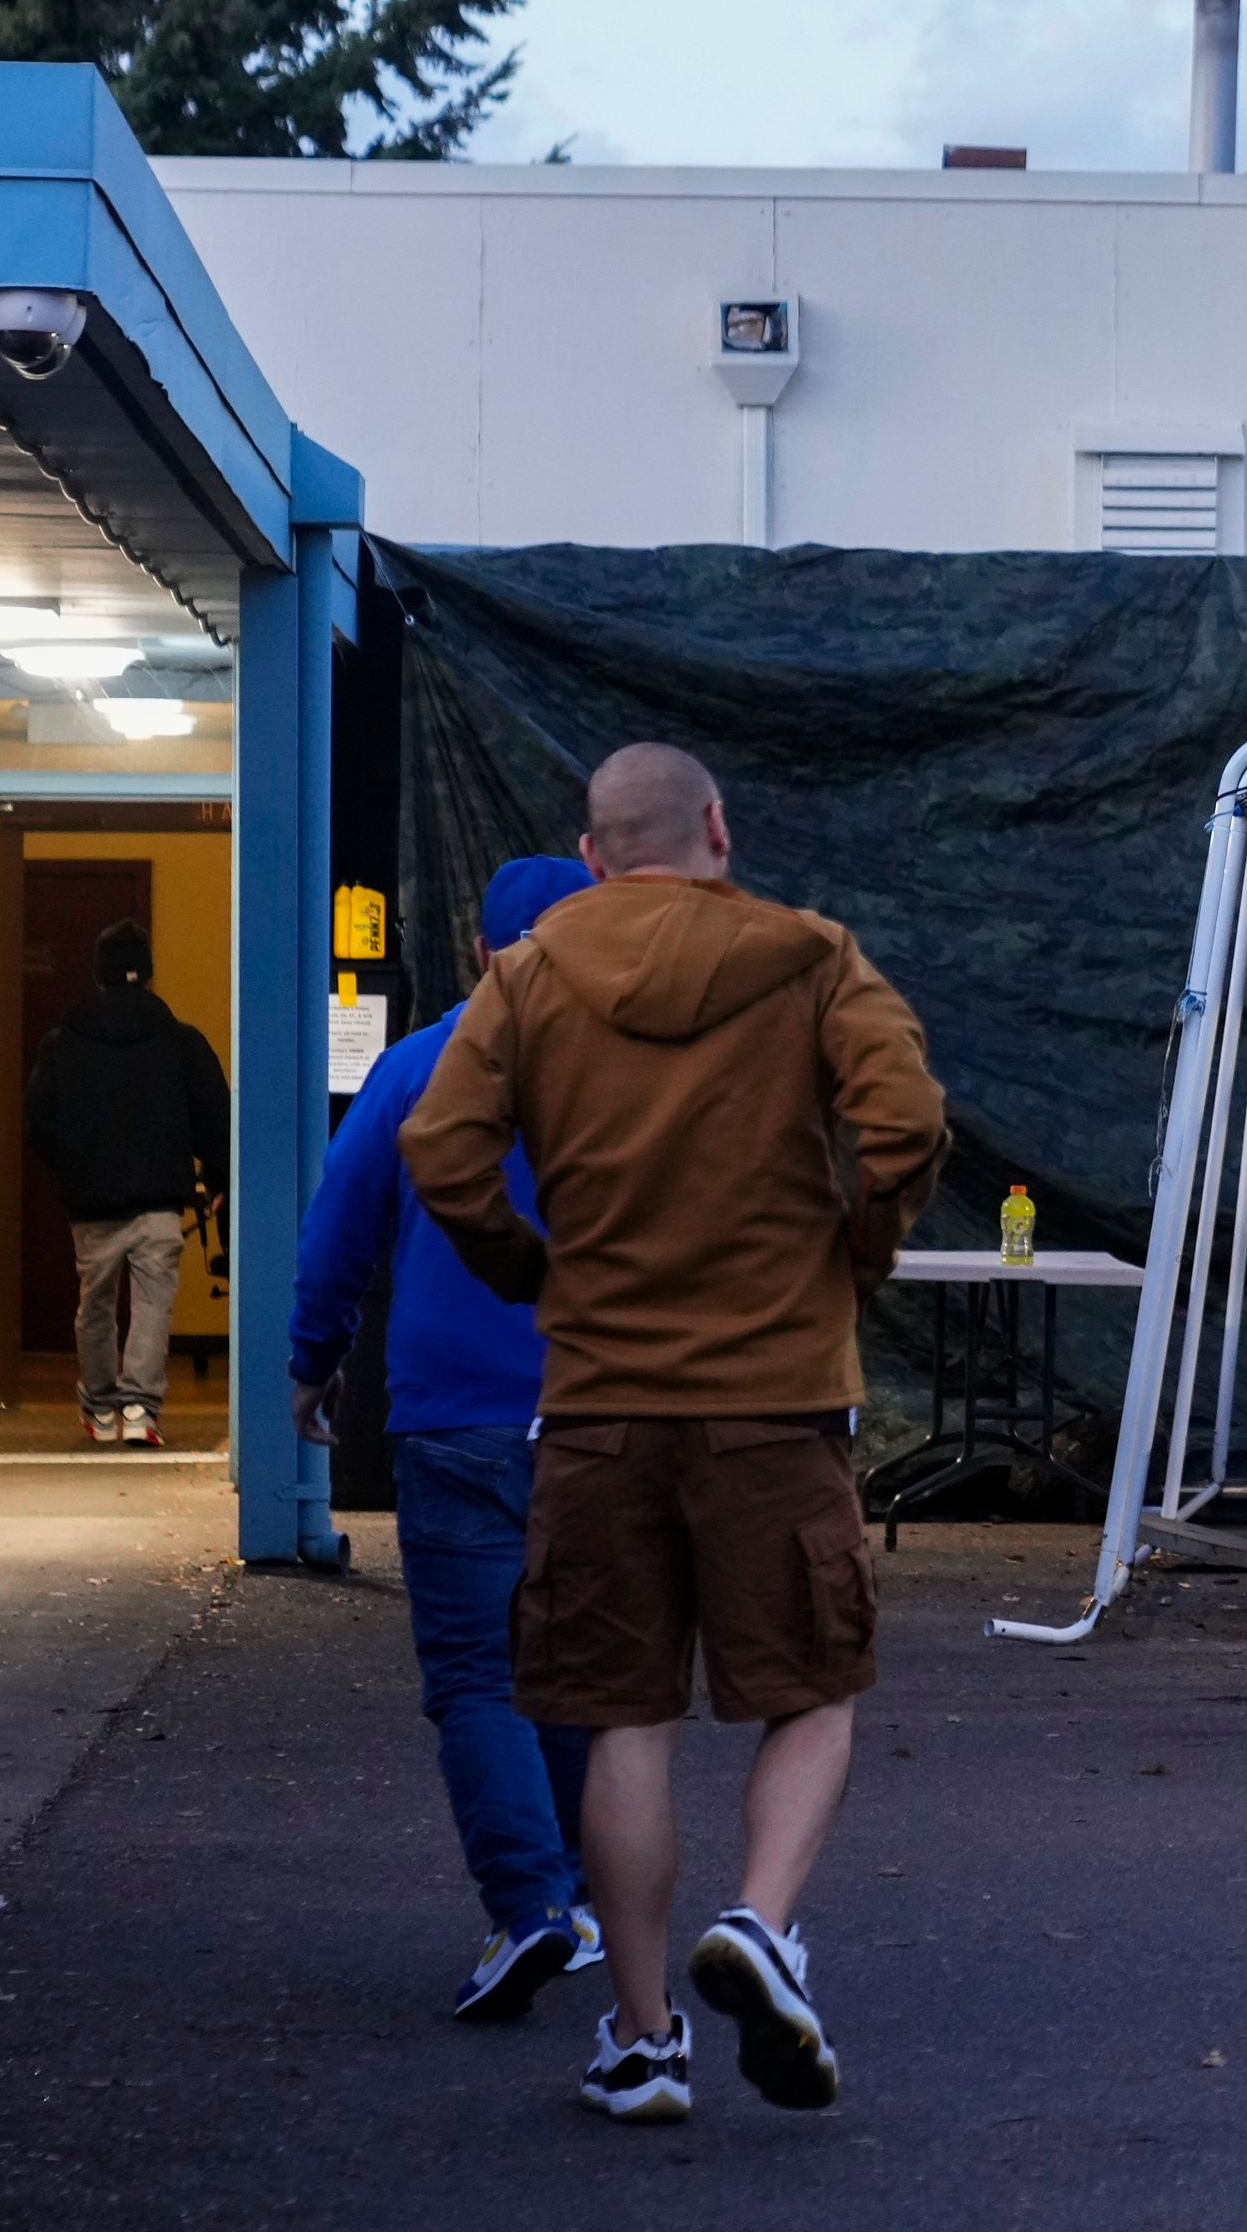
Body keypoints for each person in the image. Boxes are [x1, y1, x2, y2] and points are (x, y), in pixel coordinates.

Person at [405, 744, 948, 2126]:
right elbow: (905, 1123)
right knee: (811, 1693)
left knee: (622, 1718)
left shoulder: (528, 976)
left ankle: (643, 2041)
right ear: (717, 826)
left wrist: (536, 1273)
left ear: (593, 856)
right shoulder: (813, 957)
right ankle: (761, 1926)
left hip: (595, 1407)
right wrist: (851, 1258)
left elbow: (441, 1150)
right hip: (776, 1400)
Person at [290, 856, 603, 2024]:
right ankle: (574, 1900)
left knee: (480, 1674)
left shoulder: (421, 1064)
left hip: (452, 1417)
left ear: (480, 952)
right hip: (602, 1414)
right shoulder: (648, 1076)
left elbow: (341, 1219)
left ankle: (525, 1906)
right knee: (576, 1673)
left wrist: (309, 1361)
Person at [23, 917, 228, 1448]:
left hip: (90, 1203)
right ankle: (140, 1408)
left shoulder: (62, 1042)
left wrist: (69, 1169)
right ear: (150, 975)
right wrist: (220, 1176)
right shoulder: (180, 1040)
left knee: (95, 1303)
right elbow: (215, 1113)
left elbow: (37, 1119)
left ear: (98, 975)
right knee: (153, 1303)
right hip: (160, 1201)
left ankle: (99, 1407)